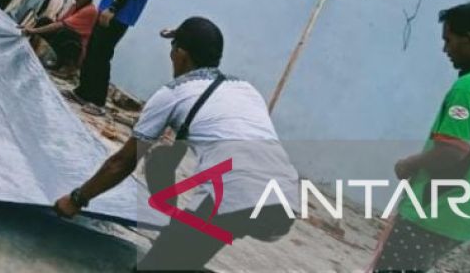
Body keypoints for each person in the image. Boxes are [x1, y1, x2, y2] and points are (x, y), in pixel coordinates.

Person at [54, 17, 298, 271]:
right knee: (165, 171)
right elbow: (169, 158)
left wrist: (77, 199)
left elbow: (122, 162)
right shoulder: (245, 89)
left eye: (173, 48)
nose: (171, 55)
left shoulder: (173, 93)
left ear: (181, 54)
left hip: (234, 194)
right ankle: (180, 241)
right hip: (285, 201)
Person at [374, 1, 470, 273]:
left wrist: (410, 163)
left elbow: (452, 150)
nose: (445, 49)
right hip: (465, 216)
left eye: (449, 40)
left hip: (432, 209)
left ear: (469, 40)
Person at [23, 0, 99, 76]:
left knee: (65, 32)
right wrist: (33, 28)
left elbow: (61, 25)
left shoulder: (90, 11)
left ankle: (68, 68)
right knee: (44, 21)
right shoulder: (75, 5)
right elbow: (57, 22)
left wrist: (33, 30)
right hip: (66, 37)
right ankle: (29, 50)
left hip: (77, 51)